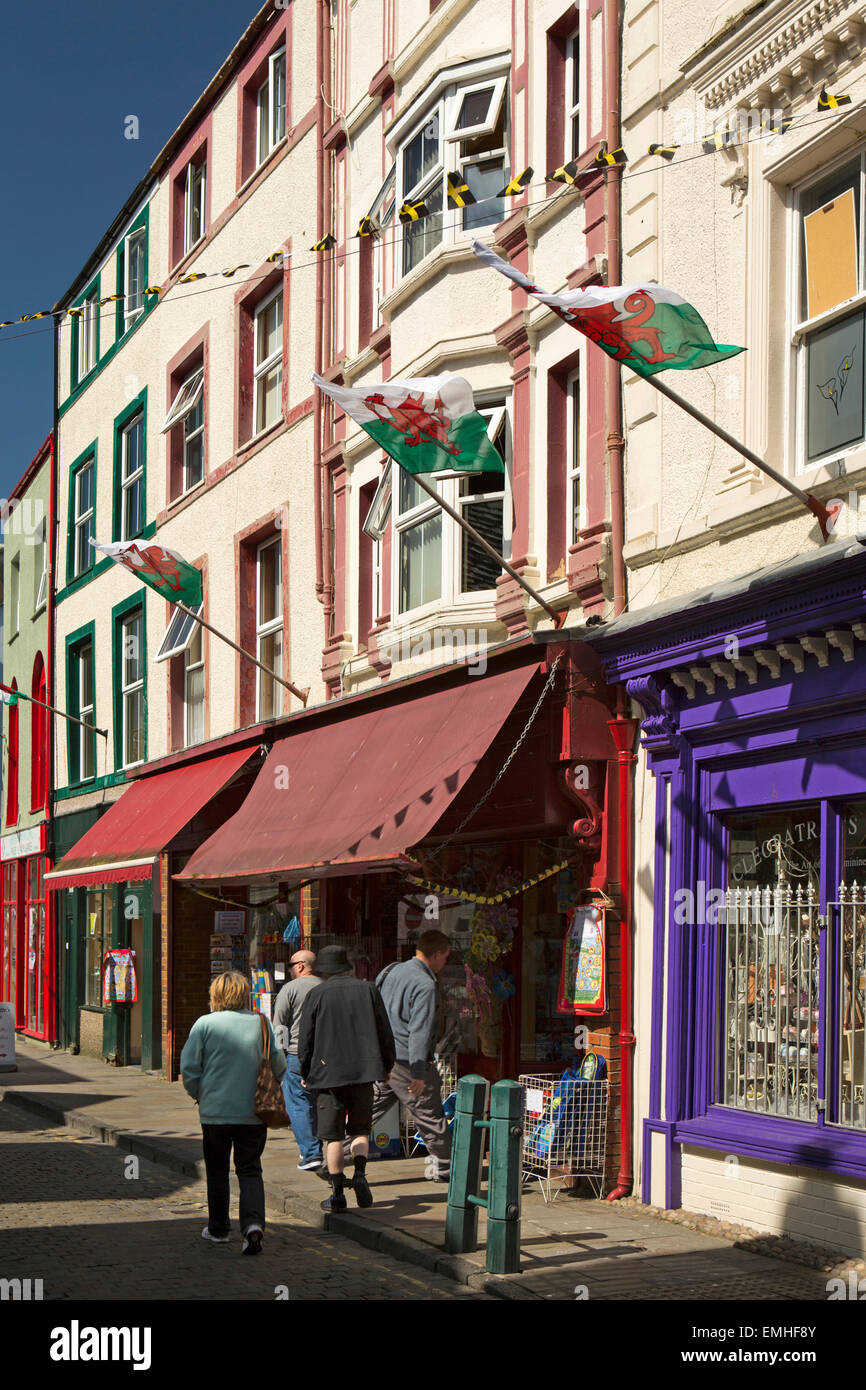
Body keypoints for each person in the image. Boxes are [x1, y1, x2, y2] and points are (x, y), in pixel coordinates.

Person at [179, 970, 286, 1256]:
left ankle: (218, 1229)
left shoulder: (204, 1024)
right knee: (250, 1169)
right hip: (253, 1113)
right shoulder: (262, 1024)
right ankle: (252, 1227)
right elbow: (280, 1065)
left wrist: (198, 1093)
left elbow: (189, 1068)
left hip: (215, 1114)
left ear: (216, 995)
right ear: (244, 994)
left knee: (217, 1171)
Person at [298, 944, 395, 1214]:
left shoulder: (316, 994)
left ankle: (337, 1194)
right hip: (364, 1072)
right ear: (346, 967)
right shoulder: (368, 990)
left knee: (332, 1138)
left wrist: (306, 1072)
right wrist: (386, 1066)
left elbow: (305, 1039)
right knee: (360, 1130)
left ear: (325, 971)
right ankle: (361, 1174)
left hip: (328, 1075)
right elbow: (385, 1032)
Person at [370, 928, 453, 1182]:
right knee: (429, 1114)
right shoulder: (425, 984)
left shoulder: (390, 970)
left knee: (369, 1109)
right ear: (436, 953)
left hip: (385, 1058)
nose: (445, 963)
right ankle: (449, 1170)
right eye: (446, 957)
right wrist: (418, 1072)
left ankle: (334, 1155)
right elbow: (419, 1030)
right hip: (408, 1060)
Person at [272, 949, 323, 1171]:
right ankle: (325, 1148)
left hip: (295, 1056)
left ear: (301, 965)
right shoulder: (325, 986)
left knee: (298, 1104)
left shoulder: (289, 989)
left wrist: (278, 1056)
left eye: (292, 965)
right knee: (321, 1104)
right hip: (325, 1057)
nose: (291, 969)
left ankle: (311, 1153)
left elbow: (280, 1026)